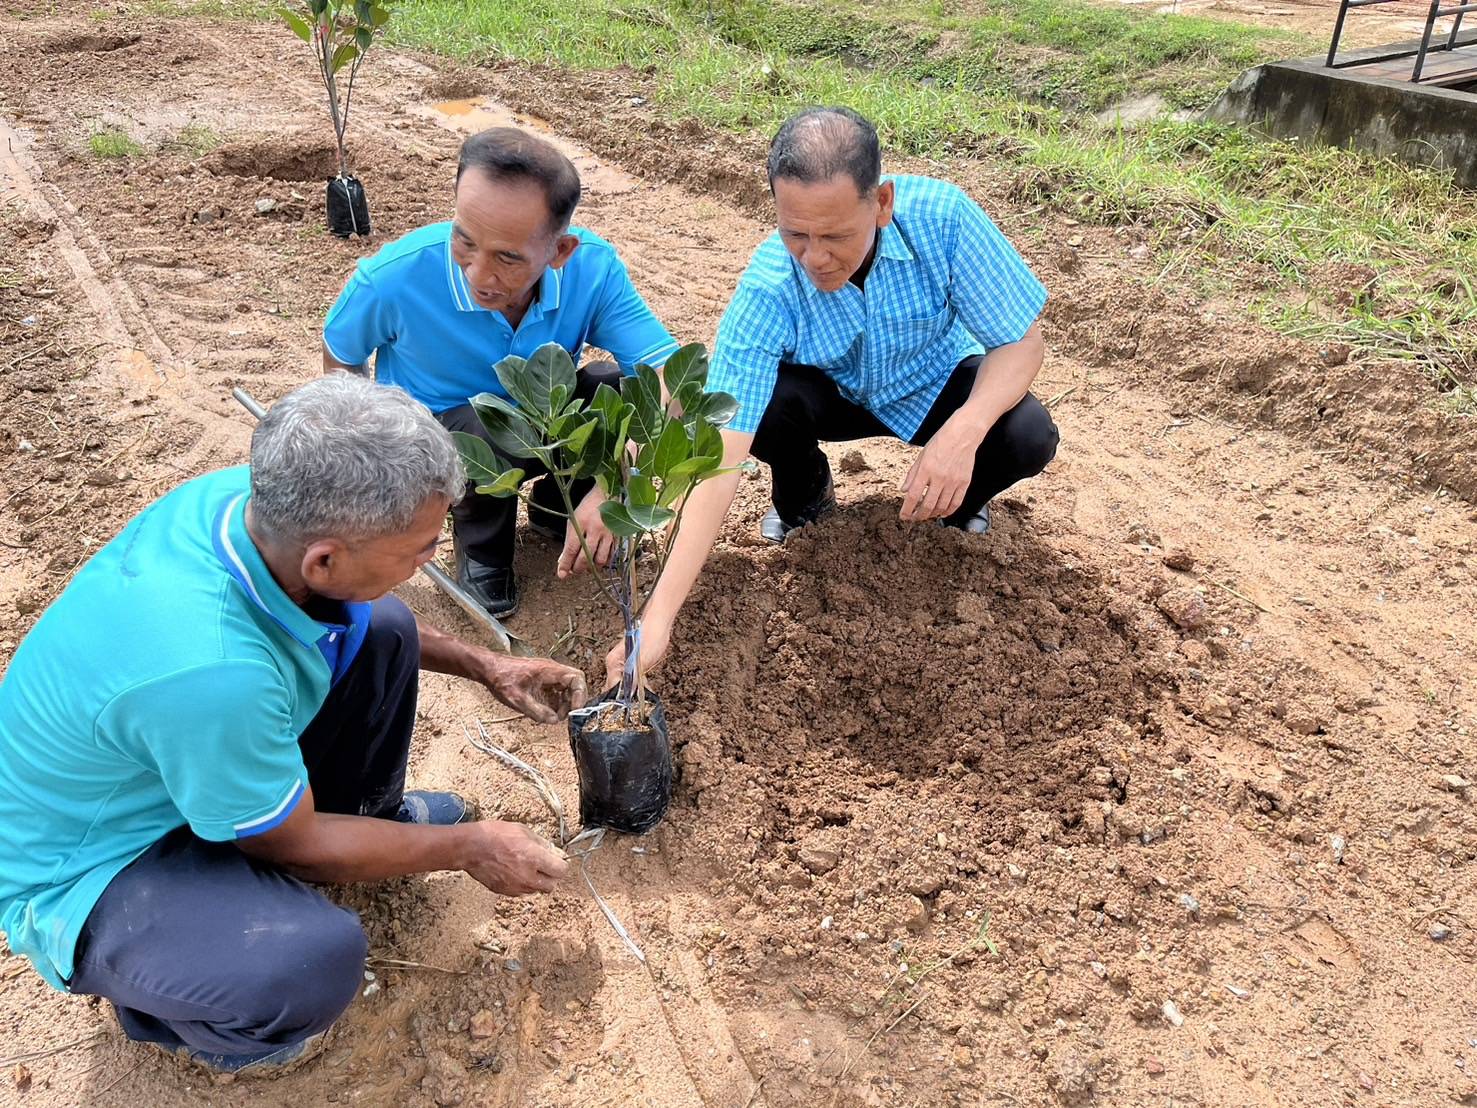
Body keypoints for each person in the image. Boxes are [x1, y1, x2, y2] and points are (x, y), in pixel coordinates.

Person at [0, 375, 586, 1076]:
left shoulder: (251, 506)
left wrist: (485, 664)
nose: (432, 558)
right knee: (309, 961)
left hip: (180, 759)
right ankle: (183, 1006)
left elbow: (355, 613)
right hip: (89, 863)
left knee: (385, 627)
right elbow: (294, 846)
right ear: (324, 559)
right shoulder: (215, 670)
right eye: (420, 547)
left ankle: (365, 823)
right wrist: (467, 846)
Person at [598, 106, 1059, 686]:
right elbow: (720, 456)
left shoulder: (943, 219)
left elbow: (1021, 343)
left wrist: (962, 432)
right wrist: (657, 619)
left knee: (1026, 433)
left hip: (933, 380)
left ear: (881, 202)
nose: (815, 258)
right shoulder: (769, 286)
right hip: (831, 395)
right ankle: (804, 497)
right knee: (757, 400)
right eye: (797, 234)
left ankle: (957, 505)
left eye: (836, 236)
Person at [322, 127, 680, 619]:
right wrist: (367, 448)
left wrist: (613, 487)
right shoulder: (395, 277)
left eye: (508, 258)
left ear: (559, 252)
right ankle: (483, 552)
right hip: (445, 437)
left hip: (541, 415)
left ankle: (562, 507)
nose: (477, 274)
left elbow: (668, 378)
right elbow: (341, 352)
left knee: (615, 387)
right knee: (480, 429)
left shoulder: (592, 269)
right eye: (464, 241)